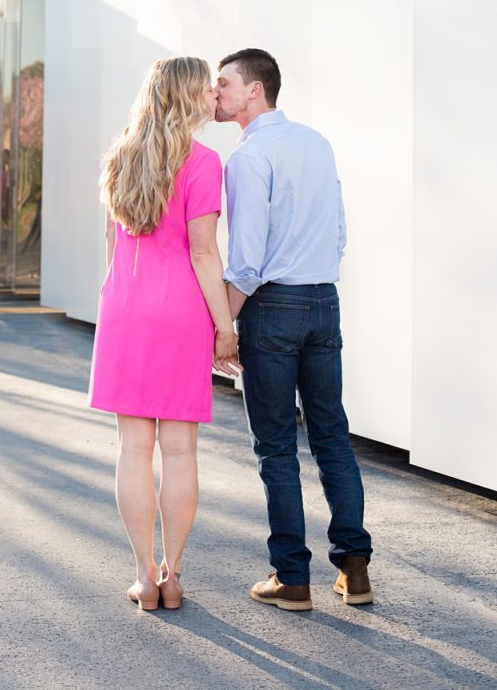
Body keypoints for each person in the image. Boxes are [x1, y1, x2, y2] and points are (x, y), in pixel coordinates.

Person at [215, 48, 373, 611]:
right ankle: (355, 571)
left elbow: (247, 260)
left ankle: (292, 579)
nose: (216, 92)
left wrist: (221, 324)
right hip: (323, 300)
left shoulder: (248, 157)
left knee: (277, 446)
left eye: (225, 83)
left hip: (271, 307)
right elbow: (338, 232)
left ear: (254, 91)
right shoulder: (316, 142)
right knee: (332, 434)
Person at [88, 56, 241, 612]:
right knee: (180, 452)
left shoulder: (120, 157)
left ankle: (142, 576)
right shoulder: (203, 161)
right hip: (180, 311)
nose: (210, 95)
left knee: (133, 449)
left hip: (126, 306)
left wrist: (118, 301)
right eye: (205, 88)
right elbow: (203, 251)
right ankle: (173, 575)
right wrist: (226, 326)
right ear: (187, 97)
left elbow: (112, 246)